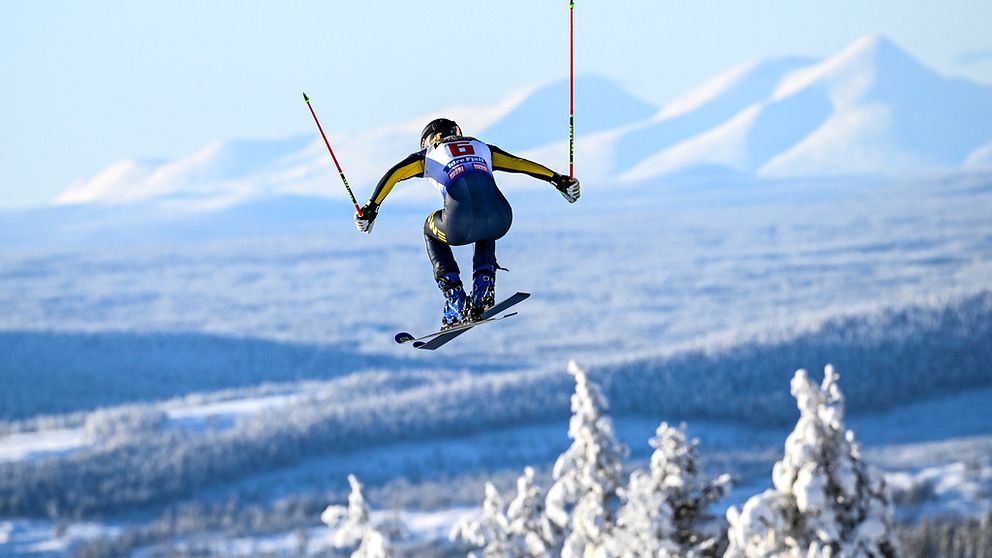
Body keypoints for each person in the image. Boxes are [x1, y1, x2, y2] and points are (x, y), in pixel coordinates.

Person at [355, 118, 580, 328]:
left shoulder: (429, 155)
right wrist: (558, 180)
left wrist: (371, 208)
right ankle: (484, 288)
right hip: (502, 218)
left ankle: (455, 299)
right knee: (485, 221)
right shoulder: (482, 147)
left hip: (458, 225)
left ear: (432, 139)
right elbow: (519, 163)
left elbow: (395, 174)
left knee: (428, 228)